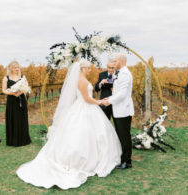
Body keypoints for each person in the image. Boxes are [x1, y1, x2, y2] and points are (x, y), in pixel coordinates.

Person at [16, 59, 122, 190]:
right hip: (85, 108)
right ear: (83, 69)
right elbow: (87, 99)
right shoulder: (82, 81)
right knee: (84, 134)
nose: (90, 70)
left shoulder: (79, 79)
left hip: (84, 108)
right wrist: (100, 102)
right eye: (88, 68)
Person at [102, 53, 134, 169]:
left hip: (123, 109)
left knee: (124, 135)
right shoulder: (118, 73)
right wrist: (108, 98)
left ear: (121, 61)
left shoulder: (125, 74)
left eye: (115, 61)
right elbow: (117, 92)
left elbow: (122, 94)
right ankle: (123, 159)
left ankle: (127, 161)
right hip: (118, 109)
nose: (113, 63)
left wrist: (109, 101)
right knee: (121, 135)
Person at [2, 61, 31, 147]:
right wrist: (13, 93)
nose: (17, 69)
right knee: (13, 118)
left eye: (18, 67)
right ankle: (12, 140)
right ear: (10, 68)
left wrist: (20, 92)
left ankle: (23, 139)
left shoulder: (23, 77)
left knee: (22, 118)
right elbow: (4, 90)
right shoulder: (6, 78)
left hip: (21, 99)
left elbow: (26, 87)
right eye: (15, 67)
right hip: (11, 101)